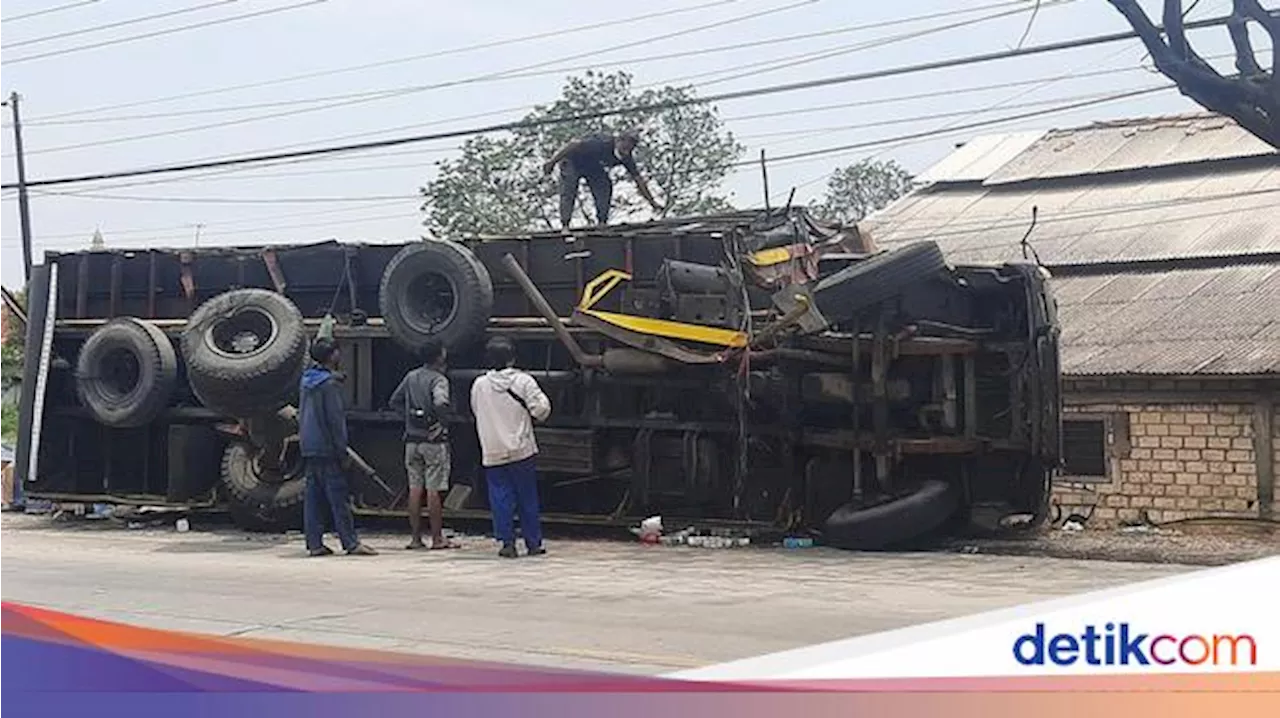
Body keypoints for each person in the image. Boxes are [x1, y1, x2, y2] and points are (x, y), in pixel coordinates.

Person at [469, 336, 552, 558]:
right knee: (527, 496)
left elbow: (476, 411)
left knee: (500, 497)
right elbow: (541, 410)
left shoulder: (479, 385)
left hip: (492, 449)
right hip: (521, 449)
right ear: (512, 357)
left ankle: (507, 543)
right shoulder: (524, 381)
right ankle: (533, 543)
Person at [298, 338, 377, 557]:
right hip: (327, 447)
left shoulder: (306, 380)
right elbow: (335, 420)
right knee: (338, 498)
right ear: (332, 355)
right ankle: (350, 542)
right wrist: (341, 450)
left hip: (309, 445)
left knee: (313, 499)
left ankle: (314, 544)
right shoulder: (329, 385)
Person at [388, 338, 458, 551]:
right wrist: (442, 424)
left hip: (411, 440)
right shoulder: (439, 379)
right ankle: (437, 538)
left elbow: (394, 401)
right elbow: (441, 402)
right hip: (432, 442)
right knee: (434, 490)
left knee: (415, 488)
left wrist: (408, 420)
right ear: (440, 356)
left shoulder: (411, 377)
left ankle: (416, 538)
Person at [542, 130, 664, 229]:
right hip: (572, 160)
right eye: (625, 146)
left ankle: (602, 222)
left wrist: (652, 203)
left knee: (604, 185)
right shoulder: (601, 143)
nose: (626, 151)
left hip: (592, 166)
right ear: (618, 141)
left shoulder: (626, 158)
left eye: (630, 148)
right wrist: (552, 162)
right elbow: (574, 144)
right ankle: (565, 224)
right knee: (569, 188)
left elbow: (639, 181)